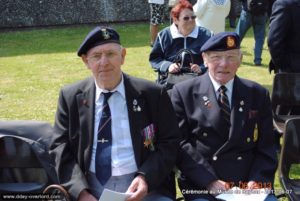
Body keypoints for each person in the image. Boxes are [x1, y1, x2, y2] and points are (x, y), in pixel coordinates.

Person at [50, 26, 180, 201]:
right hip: (90, 188)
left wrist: (145, 178)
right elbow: (60, 148)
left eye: (111, 54)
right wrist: (81, 193)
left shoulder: (153, 94)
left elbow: (170, 142)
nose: (104, 62)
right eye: (96, 56)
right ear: (86, 61)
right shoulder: (70, 97)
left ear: (123, 56)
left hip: (146, 187)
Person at [170, 32, 278, 201]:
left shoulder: (257, 94)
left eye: (231, 57)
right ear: (204, 59)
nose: (224, 64)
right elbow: (180, 144)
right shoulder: (183, 93)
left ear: (240, 60)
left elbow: (267, 146)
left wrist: (257, 181)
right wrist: (209, 181)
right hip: (202, 185)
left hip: (247, 184)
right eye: (216, 57)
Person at [149, 0, 212, 85]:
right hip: (171, 81)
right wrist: (168, 66)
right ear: (175, 20)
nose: (191, 20)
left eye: (193, 17)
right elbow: (155, 58)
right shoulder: (164, 35)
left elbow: (214, 58)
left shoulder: (207, 35)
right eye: (186, 18)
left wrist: (201, 68)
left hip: (199, 81)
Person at [267, 0, 300, 73]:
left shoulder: (285, 4)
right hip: (291, 71)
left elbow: (274, 41)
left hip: (292, 69)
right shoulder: (286, 4)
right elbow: (274, 42)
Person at [235, 0, 268, 66]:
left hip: (247, 12)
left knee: (238, 36)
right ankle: (257, 60)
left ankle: (232, 56)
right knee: (259, 39)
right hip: (261, 13)